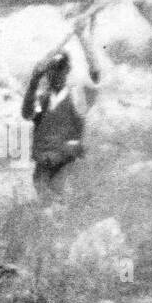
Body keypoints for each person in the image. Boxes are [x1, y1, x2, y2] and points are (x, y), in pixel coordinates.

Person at [21, 29, 100, 204]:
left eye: (60, 70)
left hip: (67, 164)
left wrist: (82, 38)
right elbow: (27, 114)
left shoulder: (78, 96)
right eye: (51, 70)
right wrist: (34, 81)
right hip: (44, 165)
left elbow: (95, 73)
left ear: (67, 70)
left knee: (59, 198)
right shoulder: (43, 99)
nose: (55, 74)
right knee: (45, 203)